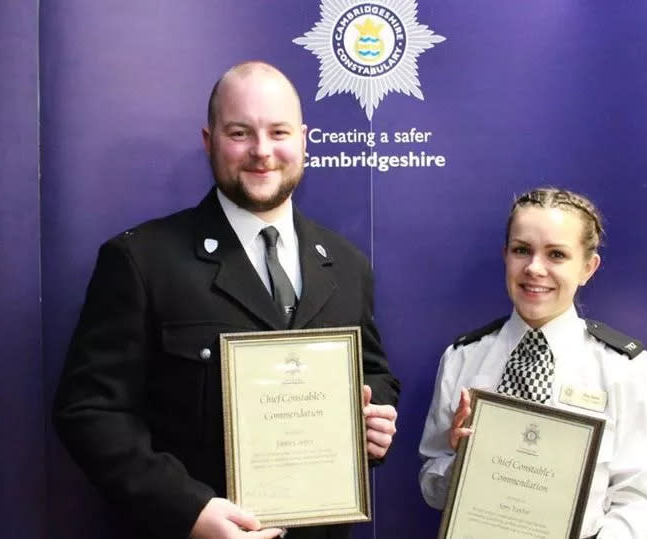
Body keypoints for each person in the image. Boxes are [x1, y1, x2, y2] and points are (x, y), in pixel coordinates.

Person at [53, 61, 400, 539]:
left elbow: (374, 374)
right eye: (240, 132)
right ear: (208, 139)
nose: (262, 152)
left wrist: (372, 418)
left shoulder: (346, 263)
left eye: (278, 132)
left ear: (303, 139)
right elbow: (90, 410)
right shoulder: (142, 261)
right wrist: (188, 510)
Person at [418, 188, 647, 538]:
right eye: (522, 250)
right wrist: (460, 463)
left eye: (556, 255)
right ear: (505, 256)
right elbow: (432, 486)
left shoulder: (627, 370)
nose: (535, 268)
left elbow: (636, 499)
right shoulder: (463, 358)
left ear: (587, 267)